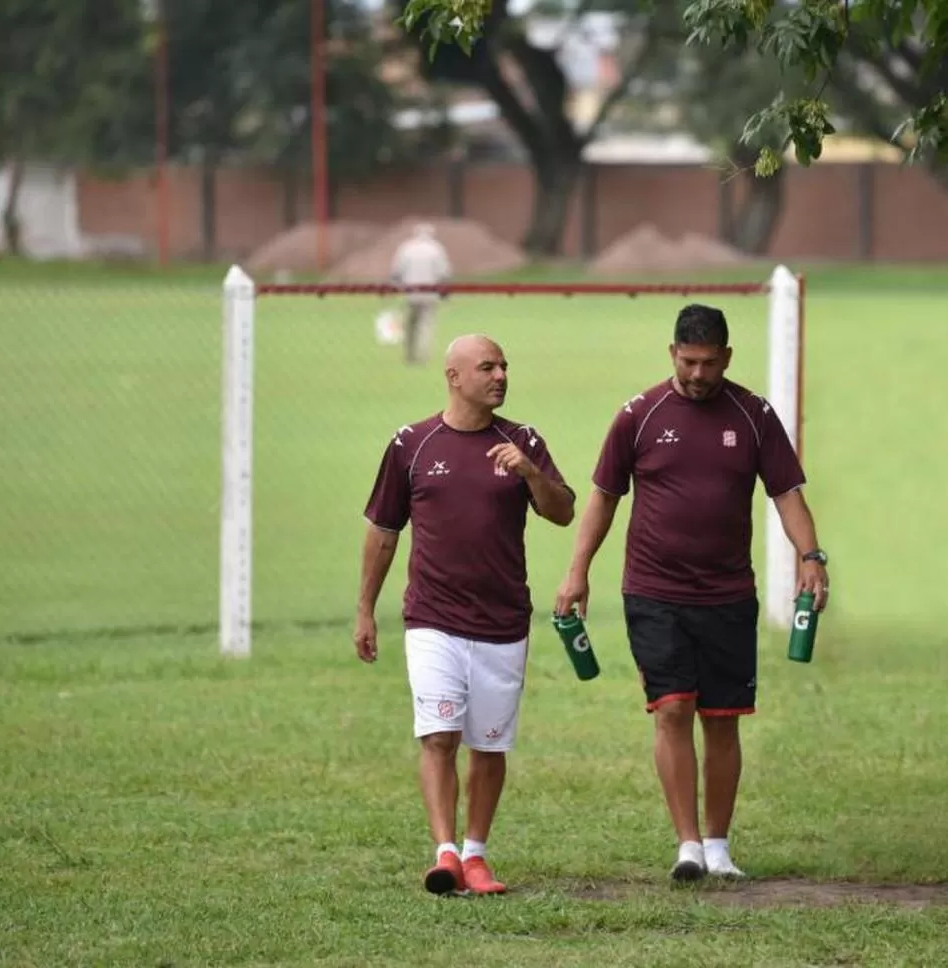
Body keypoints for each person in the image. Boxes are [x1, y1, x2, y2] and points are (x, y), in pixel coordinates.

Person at [554, 304, 829, 882]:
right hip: (654, 589)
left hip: (728, 592)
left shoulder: (753, 415)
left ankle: (719, 844)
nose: (699, 373)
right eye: (689, 361)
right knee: (674, 708)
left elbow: (787, 494)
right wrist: (578, 571)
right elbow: (604, 496)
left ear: (727, 356)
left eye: (710, 362)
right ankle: (687, 846)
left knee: (722, 718)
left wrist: (811, 557)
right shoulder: (639, 415)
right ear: (671, 353)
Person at [355, 334, 575, 895]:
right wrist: (365, 611)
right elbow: (383, 533)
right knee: (439, 735)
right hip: (432, 620)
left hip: (503, 622)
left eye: (504, 365)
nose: (500, 375)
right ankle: (446, 852)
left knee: (490, 743)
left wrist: (530, 473)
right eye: (487, 367)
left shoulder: (522, 441)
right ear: (454, 377)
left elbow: (562, 511)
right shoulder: (413, 444)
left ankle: (477, 854)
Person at [389, 222, 452, 365]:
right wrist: (444, 292)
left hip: (410, 293)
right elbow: (443, 272)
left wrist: (396, 287)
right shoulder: (436, 249)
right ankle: (423, 356)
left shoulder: (406, 248)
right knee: (426, 325)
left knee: (409, 325)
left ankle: (409, 355)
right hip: (430, 293)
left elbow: (396, 271)